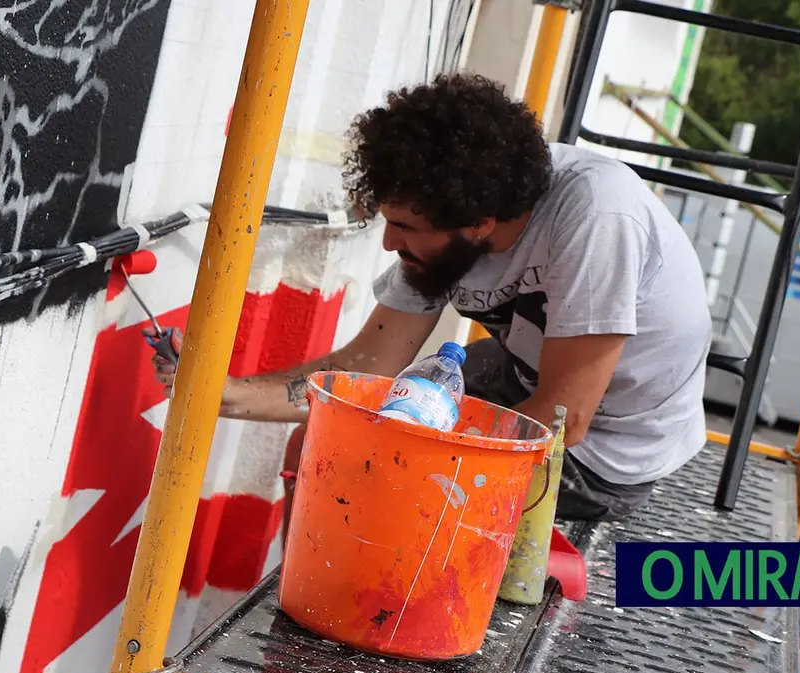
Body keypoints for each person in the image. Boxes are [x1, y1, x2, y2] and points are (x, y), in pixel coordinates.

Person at [152, 73, 712, 524]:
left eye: (403, 226)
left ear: (481, 220)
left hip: (607, 454)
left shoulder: (595, 215)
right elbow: (359, 371)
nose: (391, 242)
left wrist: (408, 465)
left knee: (376, 482)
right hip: (527, 380)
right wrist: (220, 393)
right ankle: (312, 608)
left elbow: (561, 421)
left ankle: (345, 634)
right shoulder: (449, 228)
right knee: (321, 442)